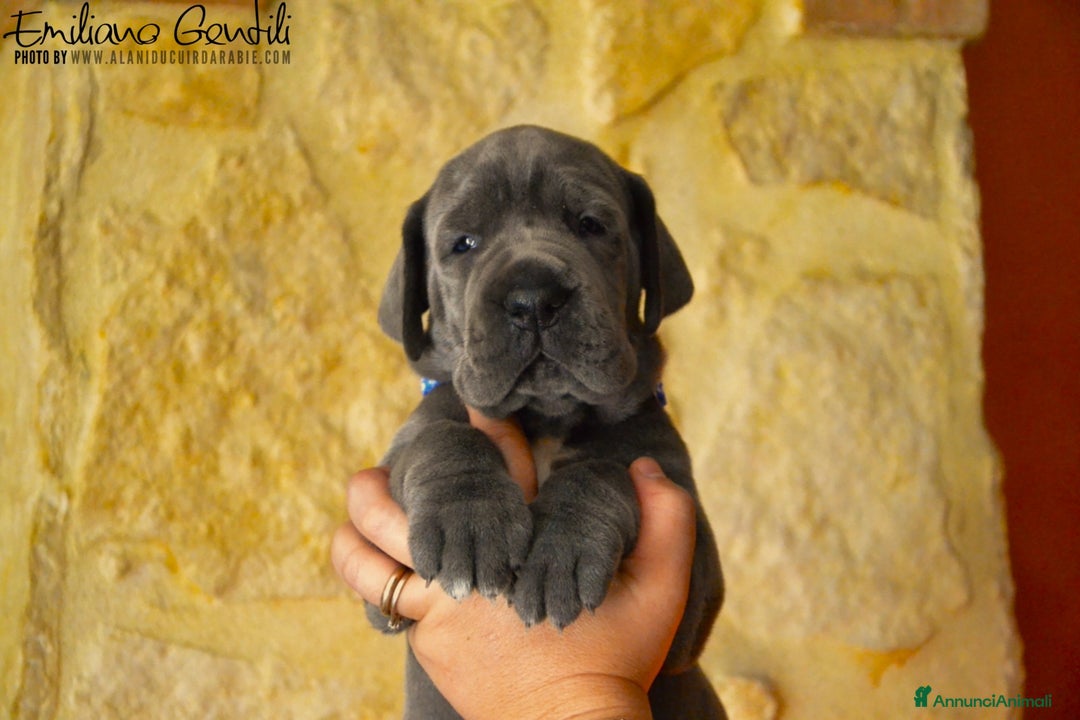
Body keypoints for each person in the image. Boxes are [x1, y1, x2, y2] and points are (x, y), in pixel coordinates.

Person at [330, 408, 698, 720]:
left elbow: (687, 631)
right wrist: (453, 472)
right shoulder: (442, 418)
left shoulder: (636, 418)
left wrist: (568, 692)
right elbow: (381, 597)